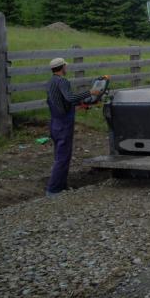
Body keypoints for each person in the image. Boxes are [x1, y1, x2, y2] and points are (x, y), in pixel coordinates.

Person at [45, 57, 100, 197]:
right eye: (65, 66)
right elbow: (69, 98)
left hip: (55, 123)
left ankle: (61, 186)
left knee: (59, 156)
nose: (66, 68)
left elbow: (60, 102)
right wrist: (90, 92)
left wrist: (79, 105)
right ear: (62, 67)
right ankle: (53, 190)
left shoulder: (50, 82)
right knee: (63, 158)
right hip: (64, 124)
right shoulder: (62, 81)